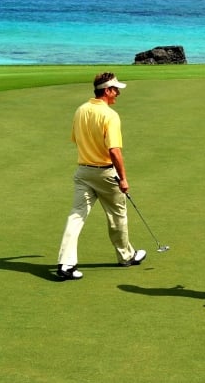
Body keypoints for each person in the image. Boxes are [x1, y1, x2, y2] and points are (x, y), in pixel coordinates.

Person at [56, 72, 147, 280]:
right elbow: (114, 150)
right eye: (115, 90)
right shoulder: (110, 115)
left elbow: (75, 139)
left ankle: (65, 263)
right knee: (117, 216)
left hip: (83, 172)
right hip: (105, 173)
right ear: (107, 91)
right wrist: (123, 178)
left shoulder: (80, 110)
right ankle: (126, 256)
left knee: (76, 216)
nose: (118, 94)